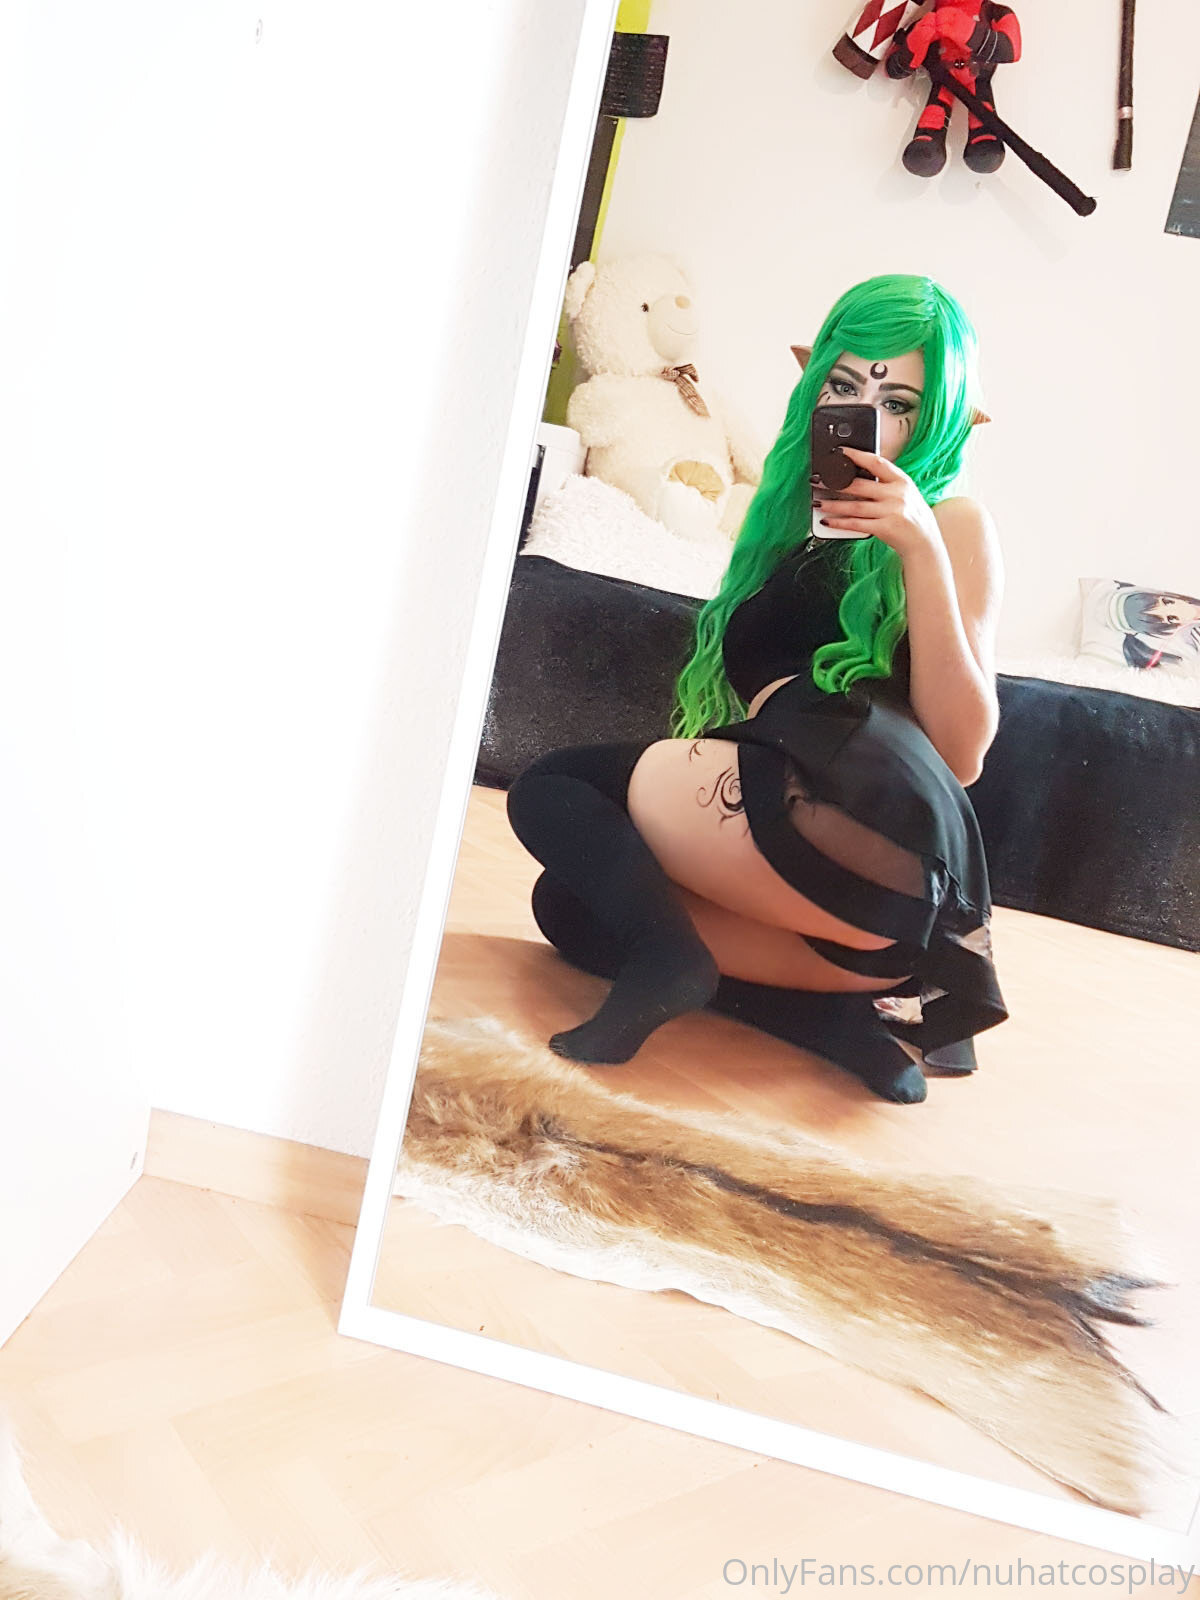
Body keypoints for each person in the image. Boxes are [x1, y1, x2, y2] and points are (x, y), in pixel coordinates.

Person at [505, 273, 1008, 1105]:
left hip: (879, 836)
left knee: (553, 788)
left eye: (900, 403)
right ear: (814, 392)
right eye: (844, 387)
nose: (866, 417)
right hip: (855, 923)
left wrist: (918, 546)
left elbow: (963, 755)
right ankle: (827, 1020)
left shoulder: (952, 522)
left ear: (941, 419)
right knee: (572, 906)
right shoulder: (787, 524)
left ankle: (671, 963)